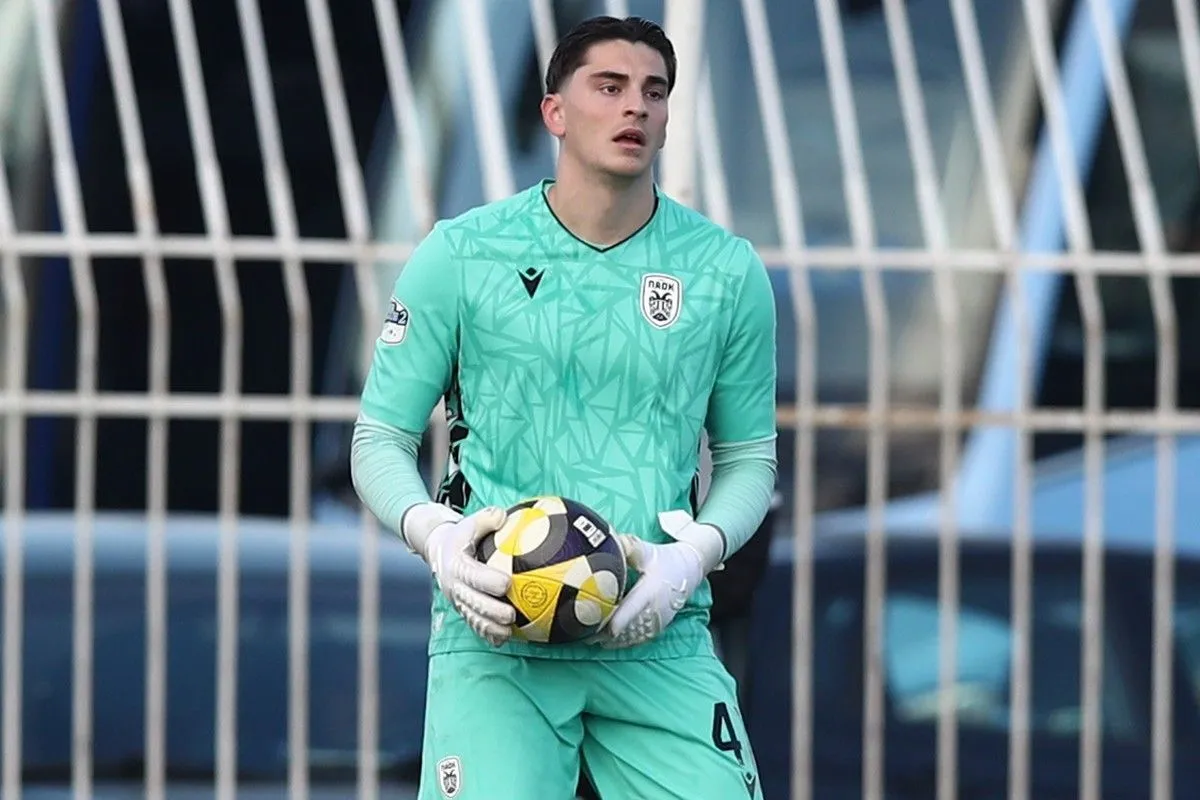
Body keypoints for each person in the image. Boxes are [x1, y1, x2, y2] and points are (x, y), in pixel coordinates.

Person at [350, 15, 777, 800]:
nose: (635, 107)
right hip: (497, 638)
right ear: (554, 111)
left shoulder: (726, 271)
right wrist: (437, 538)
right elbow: (378, 438)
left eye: (654, 92)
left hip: (656, 633)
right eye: (609, 87)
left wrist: (690, 559)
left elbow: (750, 461)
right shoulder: (462, 254)